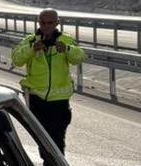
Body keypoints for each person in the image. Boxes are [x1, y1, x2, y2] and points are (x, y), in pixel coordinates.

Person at [10, 9, 85, 156]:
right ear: (39, 23)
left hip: (59, 100)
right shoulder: (31, 40)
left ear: (57, 23)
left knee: (57, 142)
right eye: (43, 23)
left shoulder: (66, 40)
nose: (46, 26)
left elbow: (79, 57)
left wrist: (67, 49)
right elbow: (16, 60)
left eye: (50, 23)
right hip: (37, 99)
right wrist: (32, 49)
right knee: (42, 140)